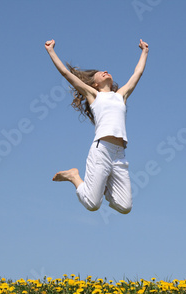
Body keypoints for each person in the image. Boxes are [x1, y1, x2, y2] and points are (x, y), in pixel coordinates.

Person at [44, 38, 149, 214]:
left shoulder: (121, 95)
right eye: (101, 73)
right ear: (94, 84)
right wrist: (51, 51)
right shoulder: (94, 95)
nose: (106, 71)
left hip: (119, 155)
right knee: (93, 205)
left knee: (125, 207)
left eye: (107, 71)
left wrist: (144, 51)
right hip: (102, 150)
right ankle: (74, 176)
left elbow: (137, 74)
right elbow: (66, 74)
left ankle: (105, 182)